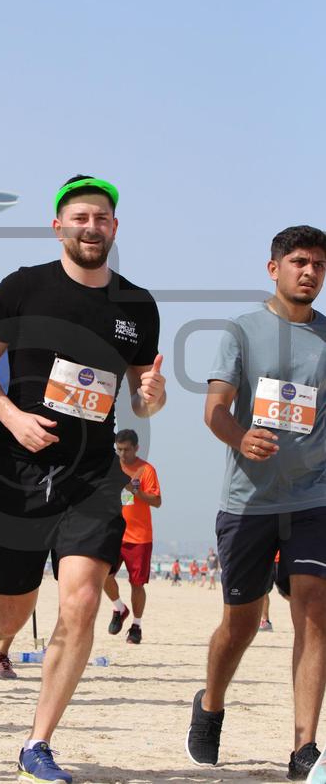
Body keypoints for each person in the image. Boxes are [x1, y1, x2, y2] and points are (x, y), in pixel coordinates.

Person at [0, 175, 166, 783]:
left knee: (83, 601)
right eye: (80, 217)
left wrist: (153, 394)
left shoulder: (137, 305)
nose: (91, 227)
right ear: (58, 225)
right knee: (10, 612)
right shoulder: (23, 287)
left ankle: (37, 743)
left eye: (101, 218)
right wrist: (11, 417)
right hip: (18, 469)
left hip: (92, 473)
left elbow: (141, 397)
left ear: (114, 228)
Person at [185, 225, 326, 781]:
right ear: (274, 269)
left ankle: (304, 746)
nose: (310, 272)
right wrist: (241, 438)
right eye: (299, 262)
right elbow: (215, 410)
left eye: (318, 264)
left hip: (314, 497)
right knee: (240, 624)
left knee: (314, 609)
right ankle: (211, 703)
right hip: (248, 502)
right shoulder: (241, 331)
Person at [104, 428, 161, 644]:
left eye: (127, 450)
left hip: (139, 536)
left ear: (136, 448)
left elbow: (156, 501)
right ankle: (119, 608)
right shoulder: (111, 467)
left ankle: (136, 626)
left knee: (137, 584)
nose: (122, 454)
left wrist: (133, 490)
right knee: (103, 575)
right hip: (113, 532)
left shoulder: (146, 470)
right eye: (119, 449)